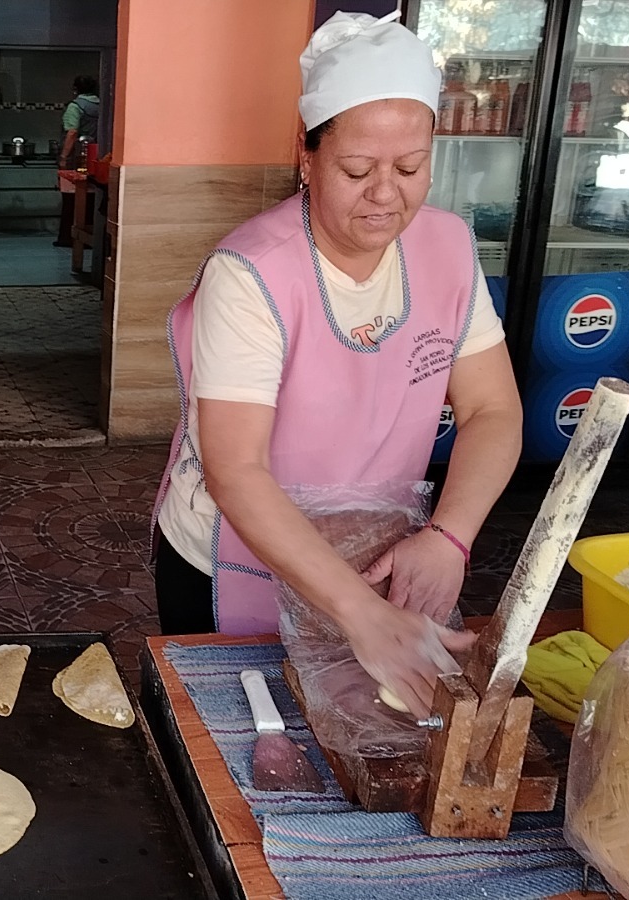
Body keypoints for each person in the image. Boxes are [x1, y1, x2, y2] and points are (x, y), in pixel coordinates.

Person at [151, 12, 523, 716]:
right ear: (307, 154)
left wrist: (448, 537)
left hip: (379, 565)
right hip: (235, 567)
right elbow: (237, 470)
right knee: (248, 749)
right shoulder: (253, 271)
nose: (386, 194)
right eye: (357, 170)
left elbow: (492, 409)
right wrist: (362, 616)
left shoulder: (447, 248)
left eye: (410, 168)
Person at [55, 74, 101, 248]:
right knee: (91, 198)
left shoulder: (76, 106)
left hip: (77, 158)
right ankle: (90, 236)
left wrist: (63, 157)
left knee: (70, 198)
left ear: (75, 89)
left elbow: (72, 133)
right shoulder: (102, 106)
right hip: (97, 157)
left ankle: (68, 237)